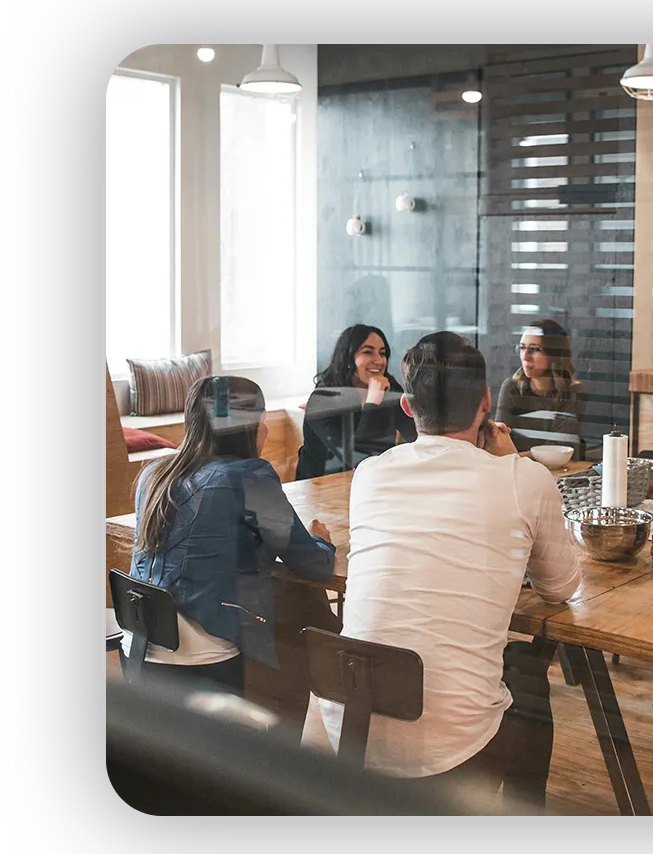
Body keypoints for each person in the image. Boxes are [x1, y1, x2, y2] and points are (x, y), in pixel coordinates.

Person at [318, 331, 582, 811]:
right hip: (452, 751)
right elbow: (561, 587)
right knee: (527, 675)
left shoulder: (371, 474)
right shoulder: (524, 478)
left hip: (349, 728)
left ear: (406, 406)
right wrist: (511, 465)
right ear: (486, 402)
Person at [122, 376, 337, 697]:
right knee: (302, 618)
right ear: (248, 427)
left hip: (137, 650)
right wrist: (322, 540)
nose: (264, 430)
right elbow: (314, 566)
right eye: (262, 421)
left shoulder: (154, 475)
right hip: (202, 660)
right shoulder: (250, 478)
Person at [295, 324, 418, 479]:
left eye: (383, 353)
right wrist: (372, 403)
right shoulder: (322, 400)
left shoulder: (389, 388)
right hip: (321, 486)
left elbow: (417, 436)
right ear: (348, 359)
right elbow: (357, 459)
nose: (379, 360)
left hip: (374, 480)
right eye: (368, 352)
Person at [495, 318, 587, 454]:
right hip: (516, 469)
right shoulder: (512, 387)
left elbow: (559, 449)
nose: (525, 356)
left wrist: (516, 457)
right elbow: (499, 440)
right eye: (522, 348)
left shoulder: (573, 392)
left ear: (553, 355)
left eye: (534, 349)